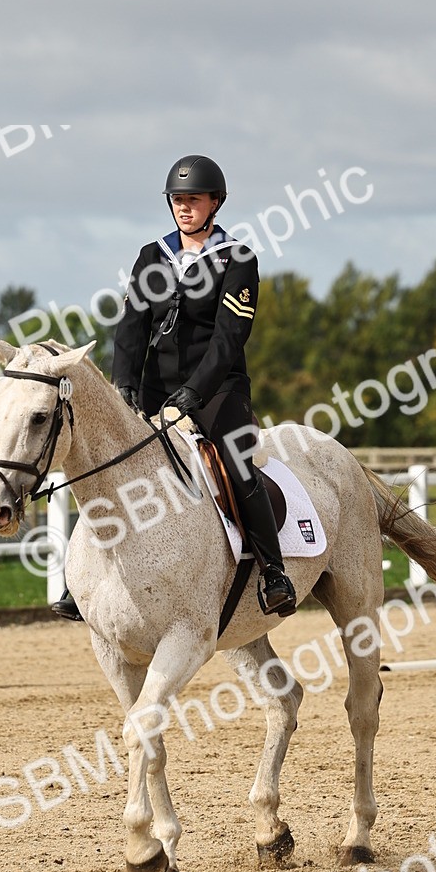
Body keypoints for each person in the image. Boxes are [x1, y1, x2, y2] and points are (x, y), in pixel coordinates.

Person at [50, 154, 296, 621]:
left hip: (219, 389)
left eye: (194, 200)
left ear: (215, 203)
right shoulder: (151, 256)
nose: (185, 208)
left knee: (237, 464)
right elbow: (131, 327)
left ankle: (274, 571)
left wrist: (195, 393)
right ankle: (79, 580)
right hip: (153, 388)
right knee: (107, 466)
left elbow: (229, 337)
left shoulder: (237, 259)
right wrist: (124, 384)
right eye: (178, 200)